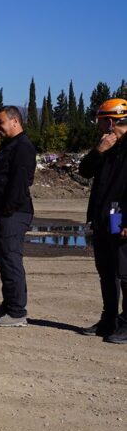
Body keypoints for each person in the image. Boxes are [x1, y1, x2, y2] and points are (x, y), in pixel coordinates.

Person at [79, 99, 127, 343]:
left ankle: (126, 323)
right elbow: (85, 171)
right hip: (103, 216)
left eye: (99, 121)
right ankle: (109, 319)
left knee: (125, 271)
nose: (98, 126)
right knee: (106, 270)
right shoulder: (106, 146)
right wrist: (99, 150)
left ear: (110, 121)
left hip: (121, 216)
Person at [0, 106, 36, 327]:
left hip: (13, 214)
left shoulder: (23, 146)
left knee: (11, 260)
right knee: (4, 260)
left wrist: (8, 208)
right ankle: (10, 304)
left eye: (0, 122)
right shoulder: (10, 144)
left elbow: (20, 181)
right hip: (3, 212)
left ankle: (16, 312)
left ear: (15, 121)